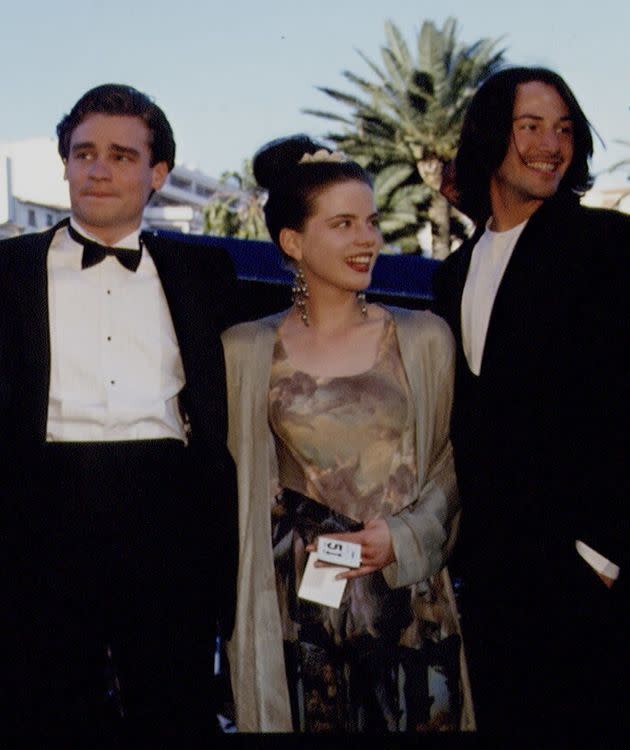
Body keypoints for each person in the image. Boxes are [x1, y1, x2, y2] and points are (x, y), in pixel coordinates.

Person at [0, 84, 238, 741]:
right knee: (43, 704)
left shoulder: (204, 271)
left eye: (121, 156)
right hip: (40, 504)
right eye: (84, 154)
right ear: (66, 164)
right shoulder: (8, 269)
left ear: (157, 174)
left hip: (166, 504)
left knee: (173, 703)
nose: (99, 169)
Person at [222, 134, 474, 734]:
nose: (368, 240)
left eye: (371, 221)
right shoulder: (244, 351)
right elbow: (230, 485)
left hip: (411, 601)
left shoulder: (425, 338)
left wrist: (406, 536)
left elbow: (451, 464)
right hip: (300, 614)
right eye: (343, 224)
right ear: (293, 242)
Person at [431, 67, 629, 735]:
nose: (551, 144)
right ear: (491, 134)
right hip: (490, 585)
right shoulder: (452, 274)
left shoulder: (607, 247)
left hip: (586, 580)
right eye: (531, 126)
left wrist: (604, 554)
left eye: (565, 129)